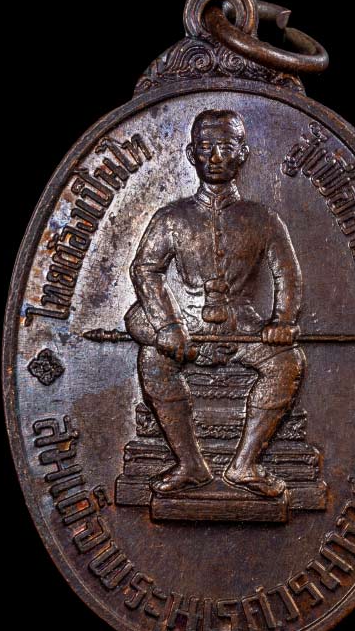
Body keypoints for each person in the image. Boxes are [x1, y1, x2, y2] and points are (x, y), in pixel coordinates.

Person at [126, 109, 305, 497]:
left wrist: (282, 320)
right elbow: (145, 270)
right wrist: (168, 326)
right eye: (206, 147)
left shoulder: (263, 218)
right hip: (187, 326)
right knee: (151, 357)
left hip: (243, 327)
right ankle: (190, 465)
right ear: (192, 154)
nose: (216, 156)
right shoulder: (171, 217)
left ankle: (245, 465)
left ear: (242, 154)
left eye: (226, 147)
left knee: (288, 363)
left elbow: (287, 275)